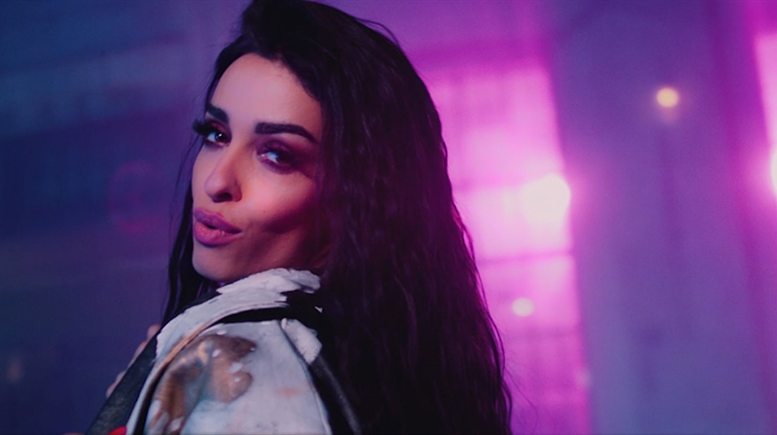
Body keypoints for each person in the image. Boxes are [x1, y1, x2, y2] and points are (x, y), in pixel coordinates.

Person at [88, 0, 512, 433]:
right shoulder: (357, 361)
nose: (217, 181)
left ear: (354, 202)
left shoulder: (238, 363)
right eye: (216, 135)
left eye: (277, 155)